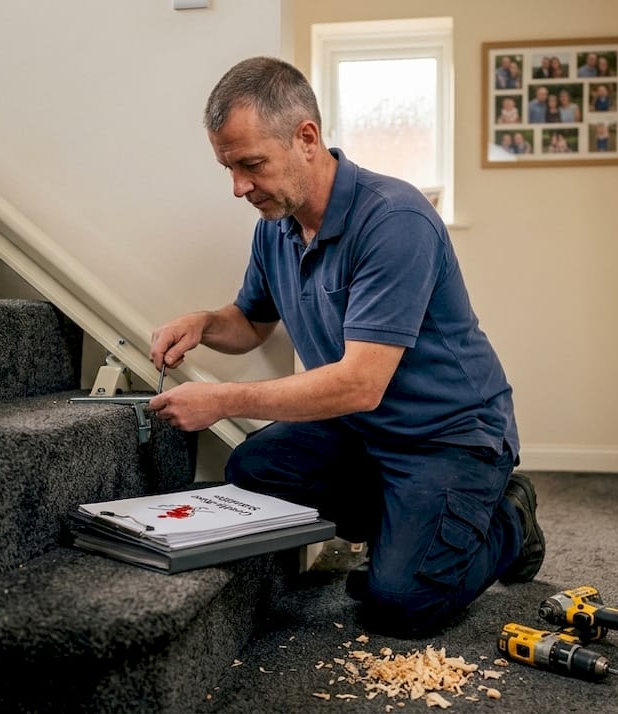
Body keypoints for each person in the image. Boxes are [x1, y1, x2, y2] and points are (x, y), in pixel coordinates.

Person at [148, 57, 544, 637]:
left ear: (307, 138)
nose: (238, 188)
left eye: (251, 165)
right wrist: (205, 323)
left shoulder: (394, 219)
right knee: (253, 467)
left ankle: (509, 517)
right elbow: (252, 322)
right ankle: (414, 525)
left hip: (450, 436)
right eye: (228, 168)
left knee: (397, 604)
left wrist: (224, 399)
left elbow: (360, 381)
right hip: (365, 431)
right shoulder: (274, 226)